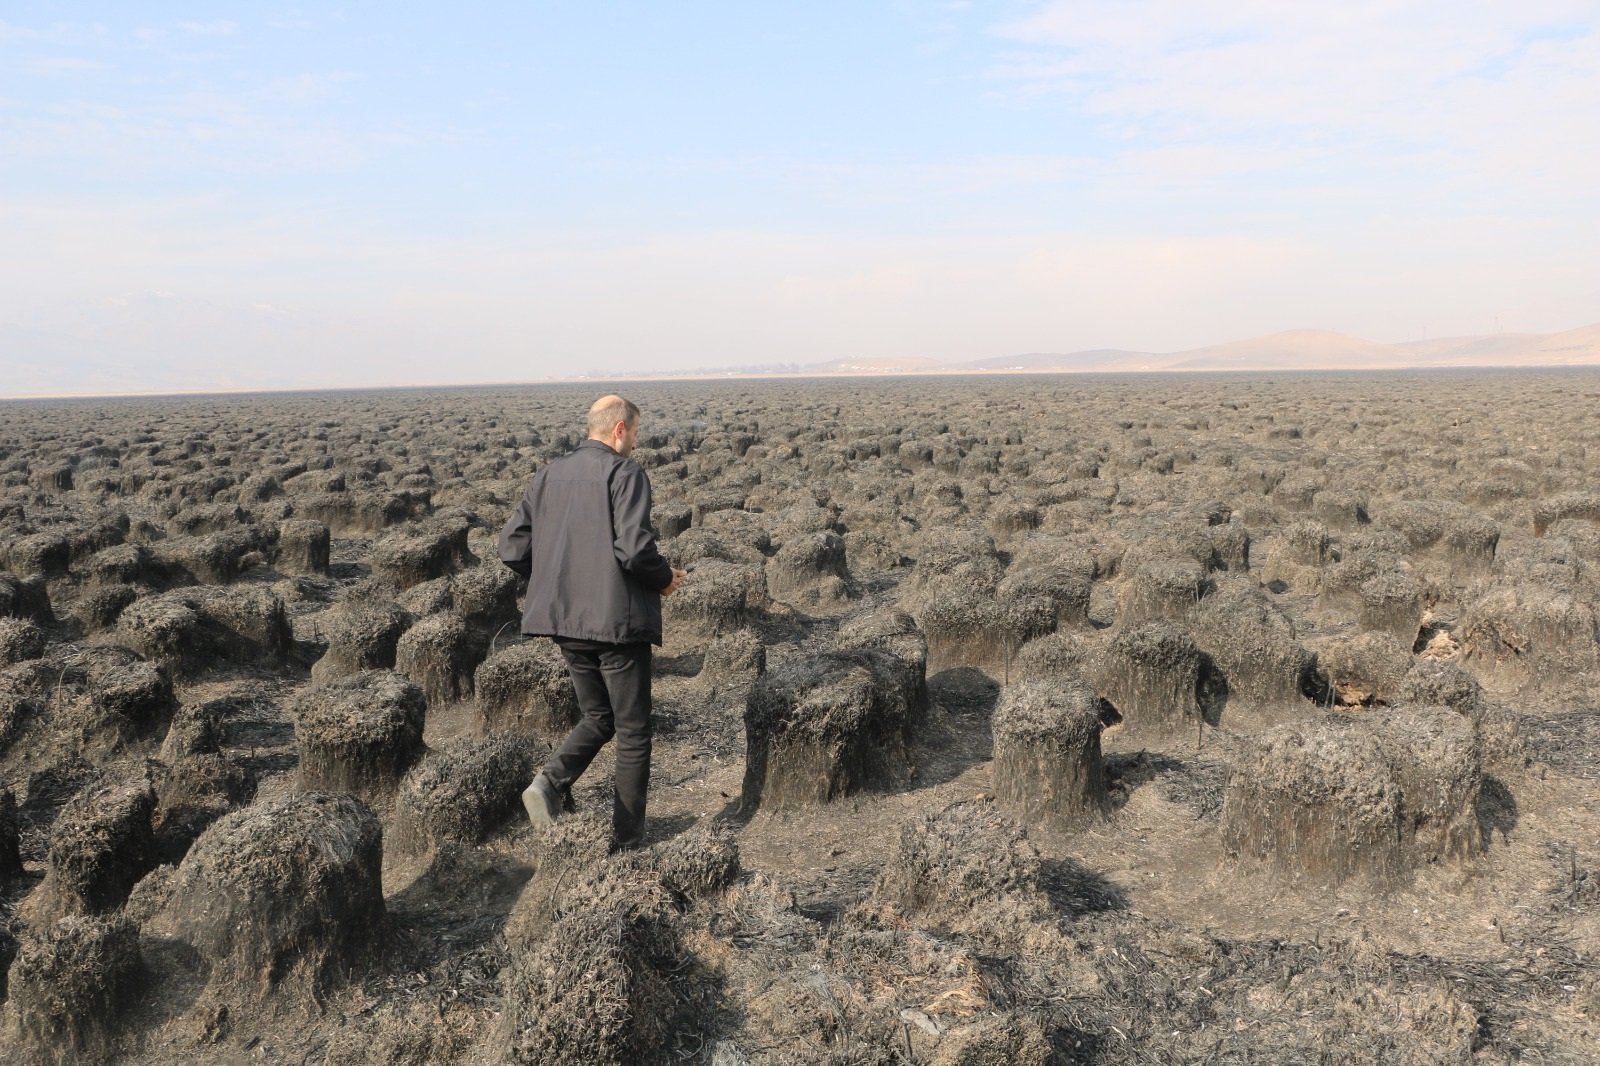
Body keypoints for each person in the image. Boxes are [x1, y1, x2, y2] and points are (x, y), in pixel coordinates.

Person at [498, 394, 686, 846]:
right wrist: (665, 579)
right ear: (619, 429)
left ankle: (548, 783)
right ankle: (626, 844)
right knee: (634, 731)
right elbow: (636, 549)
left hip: (565, 621)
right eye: (636, 433)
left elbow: (512, 548)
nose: (636, 444)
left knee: (598, 716)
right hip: (616, 624)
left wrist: (554, 580)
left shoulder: (548, 474)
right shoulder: (624, 473)